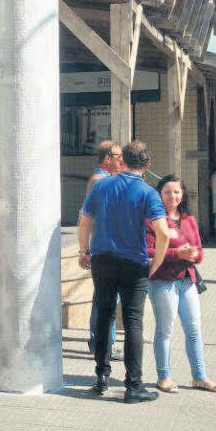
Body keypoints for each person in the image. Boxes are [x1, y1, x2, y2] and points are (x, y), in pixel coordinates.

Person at [79, 140, 168, 403]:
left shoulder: (101, 186)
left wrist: (84, 251)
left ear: (122, 160)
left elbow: (85, 221)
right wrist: (155, 264)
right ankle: (133, 386)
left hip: (102, 260)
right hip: (134, 264)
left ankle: (101, 377)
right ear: (148, 164)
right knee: (133, 323)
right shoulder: (148, 192)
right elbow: (163, 233)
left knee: (104, 317)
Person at [146, 175, 216, 394]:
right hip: (163, 281)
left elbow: (200, 252)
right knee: (165, 330)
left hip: (187, 280)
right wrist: (176, 253)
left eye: (177, 192)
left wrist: (194, 254)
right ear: (159, 195)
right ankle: (164, 377)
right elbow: (148, 252)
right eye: (167, 192)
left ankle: (200, 377)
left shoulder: (188, 219)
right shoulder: (152, 220)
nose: (173, 196)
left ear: (183, 194)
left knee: (194, 329)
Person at [85, 139, 122, 359]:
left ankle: (101, 341)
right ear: (108, 159)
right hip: (105, 246)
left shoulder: (105, 179)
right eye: (118, 156)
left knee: (104, 296)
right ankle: (103, 343)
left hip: (105, 245)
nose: (122, 160)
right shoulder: (101, 181)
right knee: (106, 298)